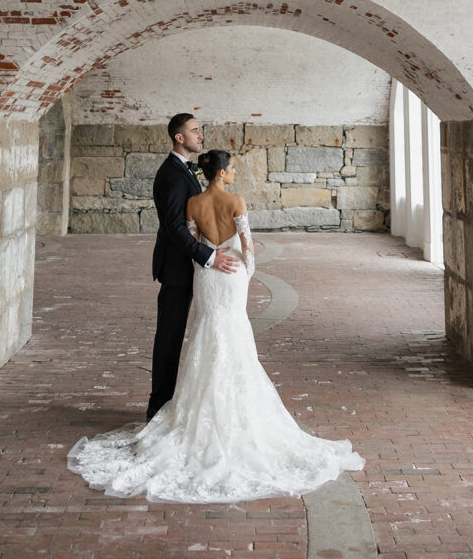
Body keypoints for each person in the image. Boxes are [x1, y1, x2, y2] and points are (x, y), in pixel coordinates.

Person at [67, 149, 364, 503]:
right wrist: (246, 274)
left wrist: (206, 267)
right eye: (233, 168)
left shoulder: (194, 203)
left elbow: (193, 242)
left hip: (207, 274)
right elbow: (248, 247)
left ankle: (195, 413)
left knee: (206, 333)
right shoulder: (236, 201)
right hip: (232, 273)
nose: (235, 172)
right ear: (221, 173)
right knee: (234, 334)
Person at [146, 113, 238, 421]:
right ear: (179, 138)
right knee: (169, 336)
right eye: (195, 131)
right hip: (176, 268)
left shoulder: (184, 169)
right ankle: (158, 407)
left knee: (177, 334)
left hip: (187, 266)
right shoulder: (171, 175)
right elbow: (174, 226)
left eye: (199, 130)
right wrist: (208, 256)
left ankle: (170, 403)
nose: (201, 135)